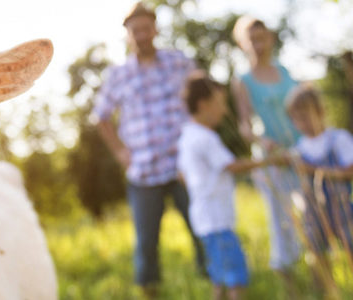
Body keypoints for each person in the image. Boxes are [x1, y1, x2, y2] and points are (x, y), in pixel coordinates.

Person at [92, 2, 206, 293]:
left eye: (146, 28)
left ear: (154, 29)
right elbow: (100, 118)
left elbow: (203, 96)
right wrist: (120, 152)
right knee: (146, 241)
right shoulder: (118, 75)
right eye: (135, 30)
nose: (141, 35)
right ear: (127, 34)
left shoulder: (179, 62)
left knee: (202, 228)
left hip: (184, 166)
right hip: (143, 170)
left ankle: (216, 285)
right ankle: (149, 291)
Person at [177, 73, 287, 300]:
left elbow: (182, 175)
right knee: (236, 278)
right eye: (221, 103)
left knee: (220, 278)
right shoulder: (206, 138)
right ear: (203, 105)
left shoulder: (186, 137)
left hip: (203, 220)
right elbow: (232, 166)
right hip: (218, 222)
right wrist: (270, 161)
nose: (225, 110)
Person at [230, 16, 302, 292]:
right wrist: (263, 140)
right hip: (271, 159)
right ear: (243, 44)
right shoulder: (242, 80)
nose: (259, 45)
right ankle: (291, 286)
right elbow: (244, 125)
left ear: (270, 38)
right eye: (252, 40)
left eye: (262, 38)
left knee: (309, 214)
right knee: (281, 222)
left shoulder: (283, 70)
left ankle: (321, 277)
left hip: (298, 152)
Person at [285, 85, 353, 295]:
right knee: (317, 250)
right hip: (313, 211)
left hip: (341, 207)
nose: (301, 124)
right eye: (296, 119)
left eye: (305, 117)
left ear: (321, 112)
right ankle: (327, 290)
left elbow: (352, 171)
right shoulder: (300, 147)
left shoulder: (338, 138)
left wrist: (314, 170)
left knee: (351, 247)